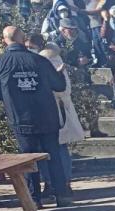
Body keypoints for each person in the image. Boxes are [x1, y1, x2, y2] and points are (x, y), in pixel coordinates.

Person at [0, 26, 71, 208]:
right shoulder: (40, 60)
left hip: (20, 117)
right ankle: (62, 195)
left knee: (28, 159)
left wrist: (12, 96)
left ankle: (34, 199)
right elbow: (59, 85)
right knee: (53, 156)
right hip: (47, 116)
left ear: (4, 40)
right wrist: (59, 74)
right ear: (23, 39)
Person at [38, 45, 85, 193]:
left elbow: (62, 90)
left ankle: (57, 182)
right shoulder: (56, 64)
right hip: (54, 111)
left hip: (56, 111)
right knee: (58, 147)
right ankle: (60, 182)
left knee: (57, 147)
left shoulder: (52, 65)